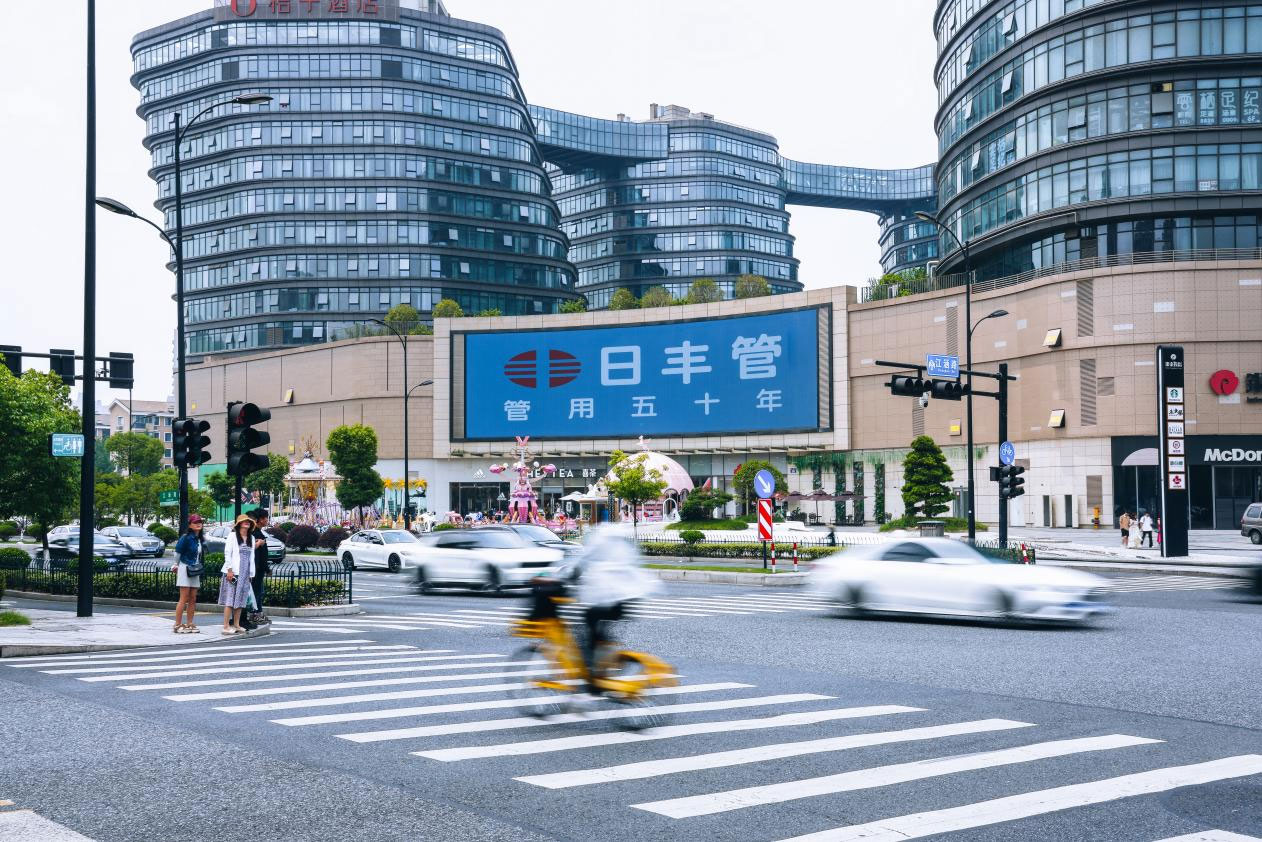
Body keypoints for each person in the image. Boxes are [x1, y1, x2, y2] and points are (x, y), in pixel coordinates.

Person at [567, 525, 658, 692]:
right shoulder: (625, 546)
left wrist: (570, 578)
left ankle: (592, 670)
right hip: (629, 600)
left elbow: (582, 563)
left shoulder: (600, 543)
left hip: (610, 598)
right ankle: (604, 655)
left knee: (589, 621)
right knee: (601, 630)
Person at [218, 514, 256, 635]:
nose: (247, 523)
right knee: (230, 599)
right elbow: (227, 553)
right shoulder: (233, 536)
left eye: (249, 521)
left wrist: (251, 574)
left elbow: (252, 557)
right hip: (233, 572)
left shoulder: (251, 538)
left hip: (245, 573)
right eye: (244, 521)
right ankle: (225, 626)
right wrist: (229, 570)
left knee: (240, 600)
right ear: (239, 524)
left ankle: (236, 624)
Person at [172, 514, 205, 634]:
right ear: (190, 525)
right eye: (195, 522)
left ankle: (190, 623)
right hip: (185, 567)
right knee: (184, 597)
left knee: (193, 598)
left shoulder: (199, 539)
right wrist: (175, 564)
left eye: (200, 522)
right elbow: (177, 553)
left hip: (194, 569)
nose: (198, 524)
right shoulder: (185, 537)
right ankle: (177, 624)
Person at [242, 508, 272, 629]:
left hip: (257, 567)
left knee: (258, 591)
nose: (267, 520)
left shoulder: (256, 533)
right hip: (256, 568)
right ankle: (254, 614)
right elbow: (259, 555)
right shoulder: (255, 534)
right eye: (265, 518)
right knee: (256, 592)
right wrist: (266, 568)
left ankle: (257, 613)